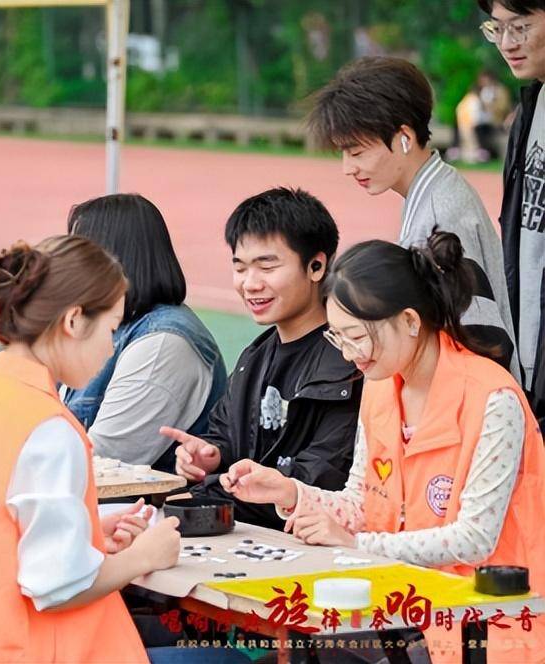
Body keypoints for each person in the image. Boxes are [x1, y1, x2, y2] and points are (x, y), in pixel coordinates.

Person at [220, 231, 545, 664]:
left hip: (488, 623)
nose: (349, 353)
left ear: (410, 321)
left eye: (356, 336)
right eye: (337, 337)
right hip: (404, 610)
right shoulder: (379, 388)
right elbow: (362, 501)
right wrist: (291, 493)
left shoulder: (492, 398)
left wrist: (358, 545)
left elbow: (474, 540)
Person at [0, 236, 181, 663]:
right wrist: (143, 556)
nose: (111, 348)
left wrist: (86, 535)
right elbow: (59, 585)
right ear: (73, 321)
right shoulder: (48, 429)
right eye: (111, 329)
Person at [307, 55, 518, 377]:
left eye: (357, 152)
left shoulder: (440, 213)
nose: (348, 168)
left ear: (404, 137)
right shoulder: (436, 190)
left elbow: (479, 339)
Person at [167, 188, 361, 530]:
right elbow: (227, 436)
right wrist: (211, 456)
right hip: (247, 531)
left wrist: (212, 487)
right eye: (240, 268)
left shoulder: (350, 363)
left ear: (317, 266)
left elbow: (322, 477)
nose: (250, 284)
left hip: (304, 542)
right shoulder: (253, 357)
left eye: (266, 266)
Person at [63, 193, 227, 471]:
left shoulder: (164, 342)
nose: (66, 268)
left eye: (78, 254)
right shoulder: (108, 326)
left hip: (142, 510)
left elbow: (100, 461)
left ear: (115, 257)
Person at [478, 0, 545, 424]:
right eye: (496, 29)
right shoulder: (530, 109)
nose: (507, 43)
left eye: (519, 27)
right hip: (530, 353)